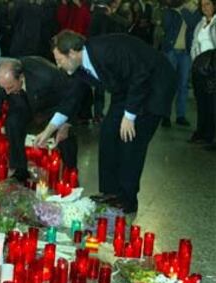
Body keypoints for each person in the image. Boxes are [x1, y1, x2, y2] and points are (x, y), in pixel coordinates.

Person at [35, 31, 177, 214]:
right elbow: (71, 99)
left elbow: (140, 74)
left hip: (154, 85)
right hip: (126, 88)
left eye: (59, 60)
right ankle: (110, 192)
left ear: (72, 53)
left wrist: (130, 116)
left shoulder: (106, 51)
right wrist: (48, 131)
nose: (58, 65)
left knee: (131, 141)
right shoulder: (78, 67)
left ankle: (127, 199)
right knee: (109, 133)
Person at [0, 57, 86, 182]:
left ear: (21, 78)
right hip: (21, 105)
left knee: (65, 136)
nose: (7, 92)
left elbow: (71, 98)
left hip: (51, 107)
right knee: (12, 122)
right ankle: (19, 171)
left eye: (10, 87)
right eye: (4, 88)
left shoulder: (46, 75)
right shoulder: (3, 81)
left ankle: (71, 174)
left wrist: (67, 124)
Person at [189, 0, 216, 146]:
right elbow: (194, 43)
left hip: (213, 69)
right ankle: (202, 133)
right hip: (200, 69)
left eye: (208, 4)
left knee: (213, 104)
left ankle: (212, 136)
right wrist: (195, 61)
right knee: (201, 103)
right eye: (202, 5)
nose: (205, 7)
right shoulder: (200, 24)